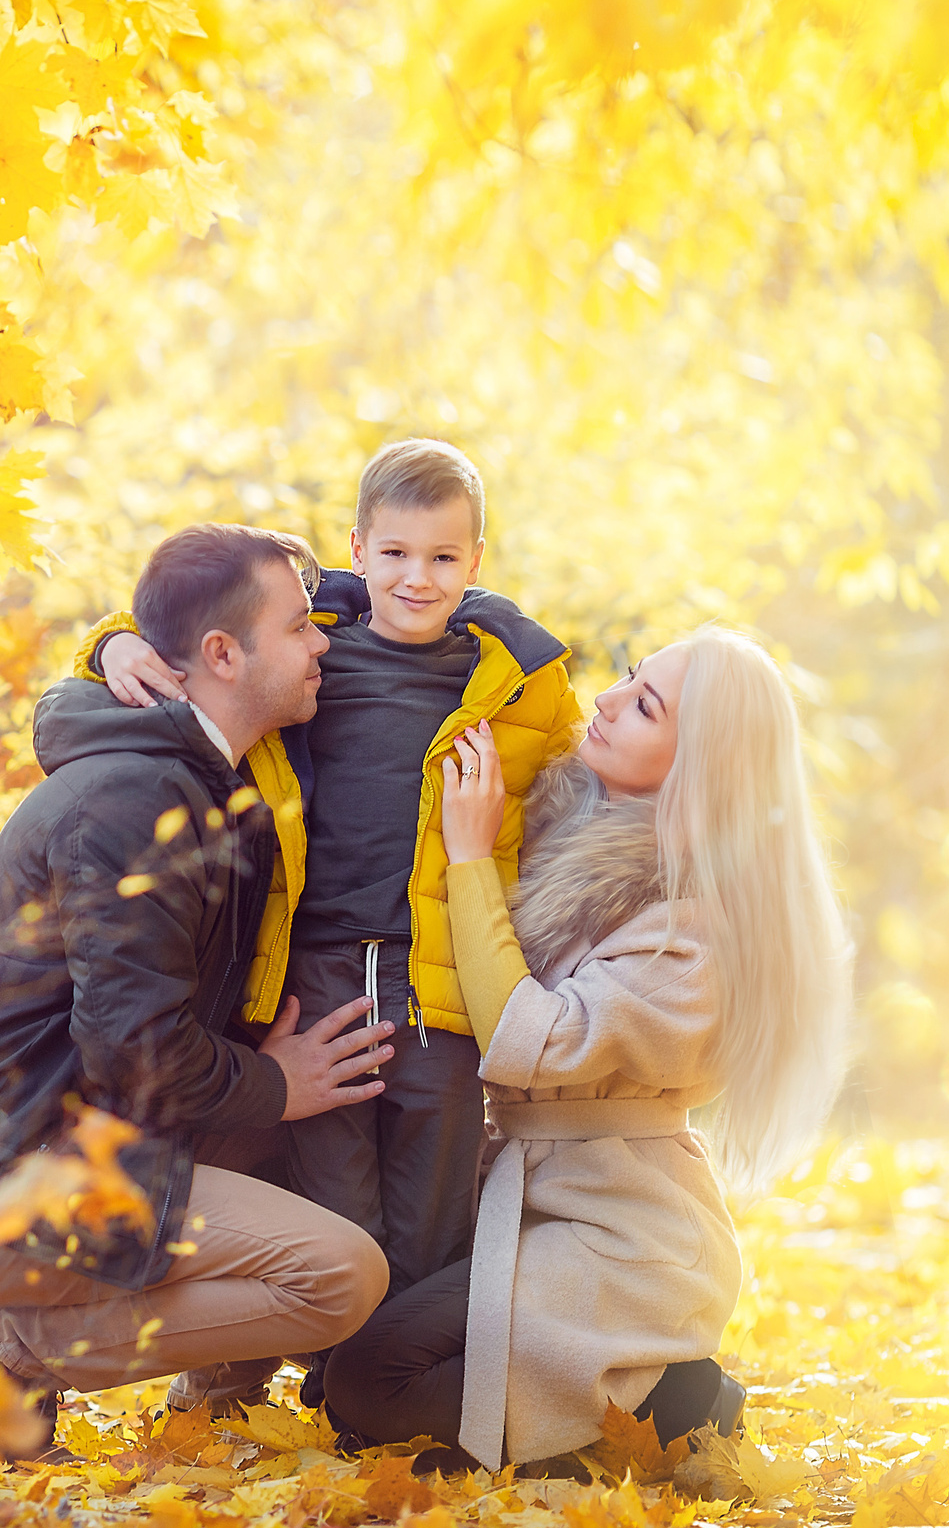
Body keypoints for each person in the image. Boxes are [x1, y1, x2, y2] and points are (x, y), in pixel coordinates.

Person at [0, 524, 400, 1457]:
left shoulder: (201, 777)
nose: (323, 641)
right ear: (221, 655)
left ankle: (194, 1398)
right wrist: (277, 1084)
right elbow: (137, 1049)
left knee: (304, 1168)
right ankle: (1, 1351)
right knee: (340, 1277)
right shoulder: (136, 803)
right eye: (298, 628)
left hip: (72, 1147)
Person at [81, 441, 582, 1406]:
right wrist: (113, 645)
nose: (415, 578)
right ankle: (311, 1370)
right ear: (357, 548)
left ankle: (393, 1390)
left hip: (440, 980)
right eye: (392, 554)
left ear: (477, 561)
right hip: (314, 968)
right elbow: (194, 623)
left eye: (443, 558)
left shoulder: (517, 679)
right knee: (331, 1188)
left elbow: (580, 787)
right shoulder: (315, 639)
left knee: (432, 1207)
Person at [319, 626, 854, 1470]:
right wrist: (122, 649)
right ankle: (615, 1405)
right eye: (632, 675)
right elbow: (461, 605)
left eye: (645, 705)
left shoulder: (697, 934)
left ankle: (676, 1407)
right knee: (344, 1376)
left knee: (368, 1385)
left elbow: (523, 1037)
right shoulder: (572, 827)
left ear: (700, 766)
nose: (607, 700)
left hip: (618, 1227)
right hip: (522, 1193)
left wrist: (469, 857)